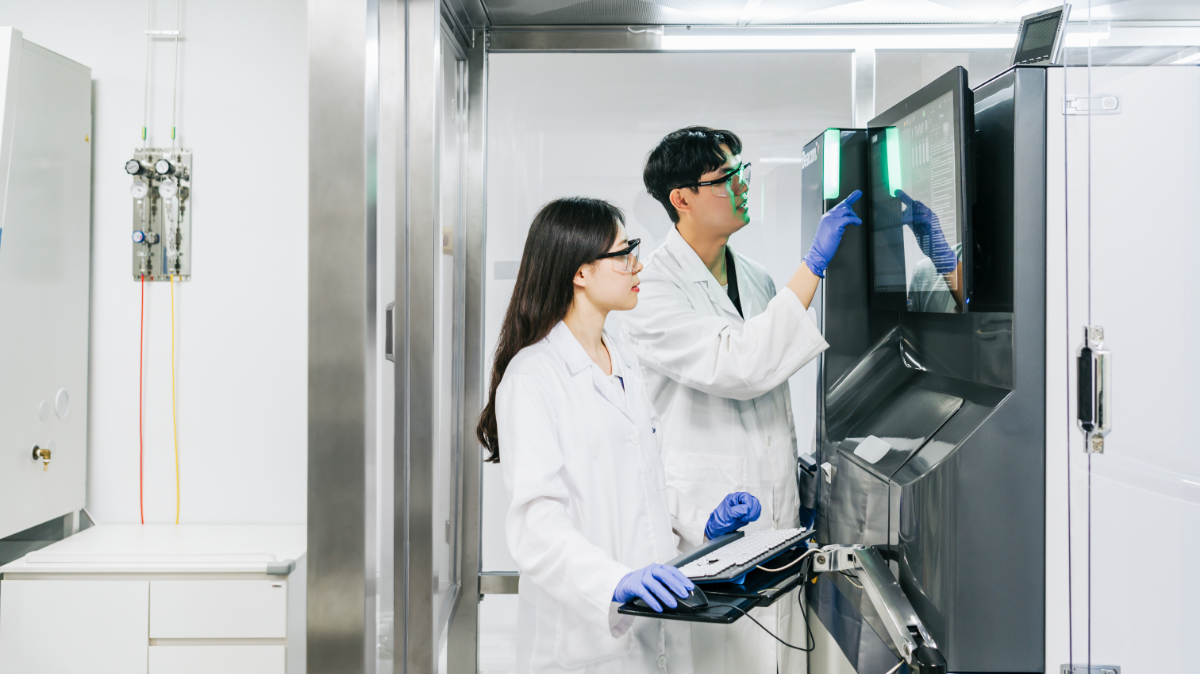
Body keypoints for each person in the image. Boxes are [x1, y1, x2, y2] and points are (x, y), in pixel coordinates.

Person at [477, 196, 763, 674]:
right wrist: (615, 581)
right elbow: (536, 526)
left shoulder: (622, 356)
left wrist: (701, 523)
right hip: (577, 644)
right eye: (622, 252)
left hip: (650, 632)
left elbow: (641, 478)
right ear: (580, 272)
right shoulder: (534, 378)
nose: (639, 264)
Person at [621, 127, 863, 674]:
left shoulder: (754, 277)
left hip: (774, 518)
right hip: (700, 524)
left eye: (741, 172)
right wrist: (814, 265)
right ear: (680, 199)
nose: (742, 186)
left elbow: (770, 385)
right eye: (726, 178)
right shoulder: (652, 289)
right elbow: (742, 364)